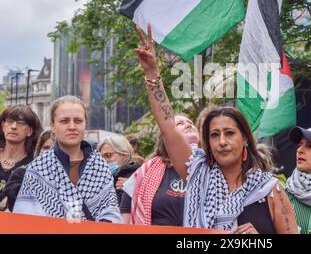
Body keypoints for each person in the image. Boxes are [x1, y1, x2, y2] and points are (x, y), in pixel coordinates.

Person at [134, 24, 297, 234]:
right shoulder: (198, 175)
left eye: (230, 133)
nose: (222, 141)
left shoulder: (270, 189)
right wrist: (152, 72)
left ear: (245, 138)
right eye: (214, 135)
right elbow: (168, 127)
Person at [13, 96, 122, 223]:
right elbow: (27, 219)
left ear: (85, 124)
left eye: (78, 121)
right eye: (64, 121)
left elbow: (110, 212)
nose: (72, 126)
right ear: (52, 126)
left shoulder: (99, 166)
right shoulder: (37, 168)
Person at [121, 115, 198, 226]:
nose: (188, 124)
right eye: (180, 123)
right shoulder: (146, 171)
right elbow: (125, 220)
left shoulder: (210, 168)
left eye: (190, 122)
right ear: (166, 136)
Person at [0, 105, 43, 211]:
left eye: (21, 123)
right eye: (10, 121)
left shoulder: (35, 165)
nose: (14, 126)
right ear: (3, 126)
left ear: (30, 131)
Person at [4, 129, 55, 212]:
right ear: (39, 149)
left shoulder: (75, 177)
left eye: (55, 148)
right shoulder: (21, 174)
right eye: (46, 148)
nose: (50, 152)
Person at [97, 135, 140, 204]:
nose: (104, 161)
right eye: (101, 157)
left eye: (108, 155)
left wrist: (133, 188)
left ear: (125, 155)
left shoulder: (139, 176)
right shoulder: (103, 179)